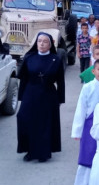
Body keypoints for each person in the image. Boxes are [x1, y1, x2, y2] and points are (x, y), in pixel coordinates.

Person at [17, 32, 65, 162]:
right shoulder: (29, 57)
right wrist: (21, 97)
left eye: (45, 41)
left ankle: (43, 152)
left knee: (44, 123)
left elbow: (60, 81)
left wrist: (60, 99)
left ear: (50, 44)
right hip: (30, 92)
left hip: (48, 94)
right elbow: (24, 79)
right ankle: (29, 150)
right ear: (36, 43)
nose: (42, 43)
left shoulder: (56, 59)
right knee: (24, 119)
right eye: (39, 41)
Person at [71, 59, 99, 185]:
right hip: (89, 124)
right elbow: (81, 108)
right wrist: (77, 131)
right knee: (88, 155)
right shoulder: (87, 87)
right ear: (93, 71)